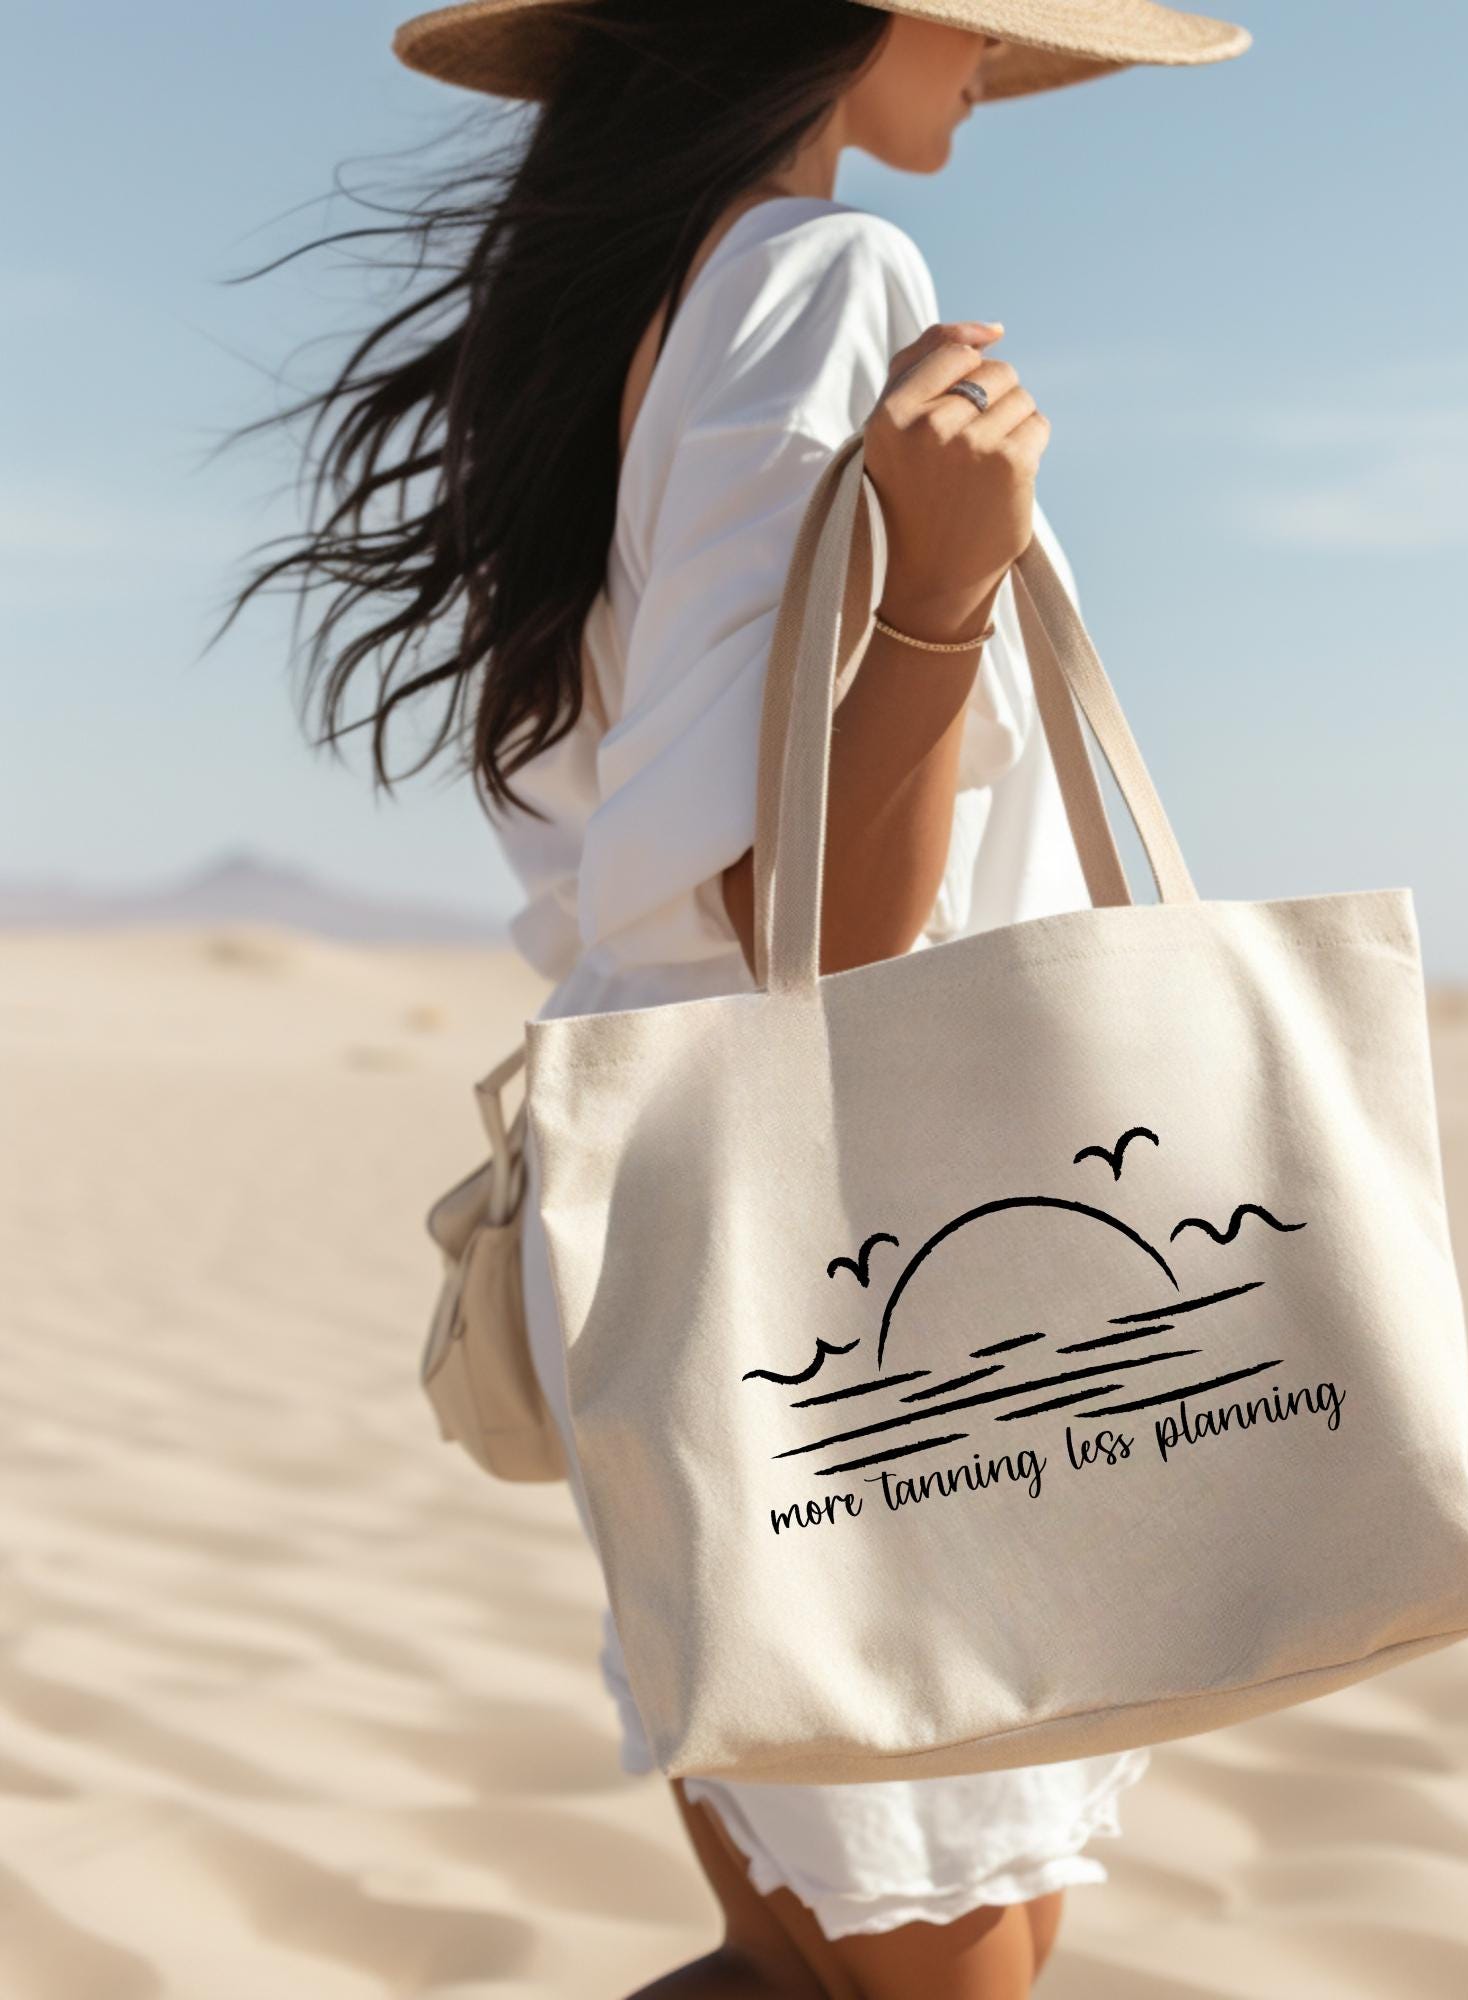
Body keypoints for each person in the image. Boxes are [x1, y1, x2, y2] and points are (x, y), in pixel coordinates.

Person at [218, 3, 1247, 1991]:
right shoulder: (820, 277)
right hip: (859, 1255)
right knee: (943, 1953)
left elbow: (666, 868)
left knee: (802, 1944)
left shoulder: (611, 330)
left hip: (666, 1215)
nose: (984, 59)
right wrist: (945, 584)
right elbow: (815, 939)